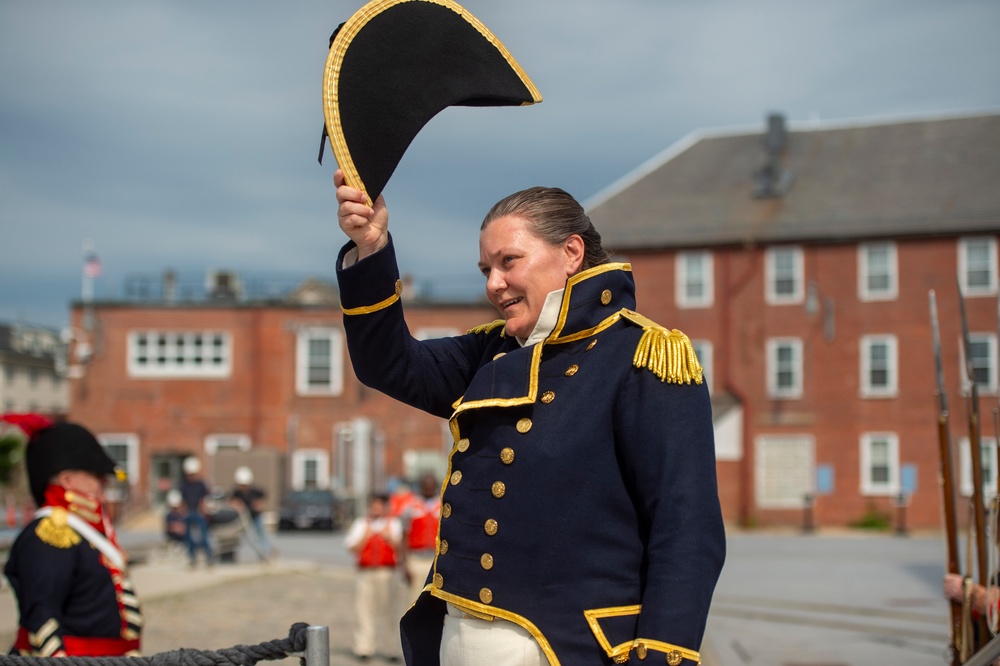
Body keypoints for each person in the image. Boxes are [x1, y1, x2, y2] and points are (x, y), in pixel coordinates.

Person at [334, 170, 726, 665]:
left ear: (572, 253)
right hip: (458, 638)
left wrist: (661, 655)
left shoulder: (644, 355)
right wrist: (371, 248)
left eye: (509, 262)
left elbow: (686, 528)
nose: (494, 285)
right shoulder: (491, 351)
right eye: (485, 270)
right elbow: (387, 364)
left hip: (567, 649)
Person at [1, 413, 143, 656]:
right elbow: (43, 615)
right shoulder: (50, 533)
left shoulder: (81, 533)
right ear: (67, 480)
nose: (103, 485)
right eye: (97, 477)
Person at [344, 493, 404, 662]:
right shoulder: (361, 524)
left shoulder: (393, 524)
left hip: (387, 572)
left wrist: (389, 536)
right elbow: (351, 547)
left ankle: (390, 648)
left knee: (390, 611)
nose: (376, 509)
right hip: (366, 572)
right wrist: (366, 536)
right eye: (373, 505)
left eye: (379, 505)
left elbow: (401, 547)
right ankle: (364, 647)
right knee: (363, 610)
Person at [398, 473, 442, 606]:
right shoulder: (410, 506)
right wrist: (404, 563)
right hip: (416, 558)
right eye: (426, 485)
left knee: (435, 600)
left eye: (431, 486)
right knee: (414, 598)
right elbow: (404, 535)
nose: (428, 488)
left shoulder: (442, 505)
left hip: (435, 558)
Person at [229, 465, 273, 561]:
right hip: (244, 520)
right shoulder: (236, 493)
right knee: (249, 538)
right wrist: (236, 505)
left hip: (256, 517)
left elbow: (263, 498)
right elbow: (231, 501)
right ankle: (261, 553)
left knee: (261, 535)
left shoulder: (256, 491)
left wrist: (259, 504)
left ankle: (265, 553)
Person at [179, 456, 214, 568]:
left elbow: (204, 498)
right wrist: (182, 512)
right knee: (188, 537)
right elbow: (182, 500)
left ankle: (209, 557)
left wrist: (203, 509)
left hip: (199, 513)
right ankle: (192, 558)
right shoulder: (184, 485)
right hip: (189, 512)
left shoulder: (201, 484)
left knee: (203, 536)